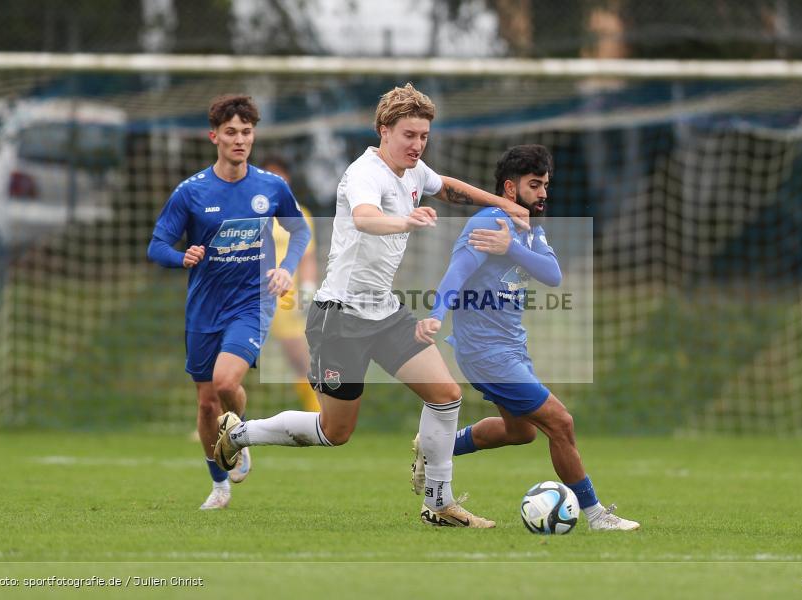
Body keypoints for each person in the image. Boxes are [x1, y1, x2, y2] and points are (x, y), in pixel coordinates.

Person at [212, 83, 528, 528]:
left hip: (386, 312)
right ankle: (239, 433)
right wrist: (406, 219)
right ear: (384, 130)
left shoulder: (414, 172)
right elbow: (364, 217)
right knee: (334, 432)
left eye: (423, 136)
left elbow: (448, 187)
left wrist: (502, 203)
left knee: (446, 395)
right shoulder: (364, 172)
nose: (417, 145)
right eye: (409, 135)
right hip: (339, 317)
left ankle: (439, 503)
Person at [411, 144, 640, 531]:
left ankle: (434, 448)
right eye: (535, 185)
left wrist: (512, 247)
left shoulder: (529, 231)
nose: (544, 193)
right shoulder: (487, 222)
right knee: (560, 422)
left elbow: (553, 275)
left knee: (521, 432)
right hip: (485, 352)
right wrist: (434, 316)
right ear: (510, 188)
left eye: (546, 185)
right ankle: (597, 515)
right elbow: (456, 274)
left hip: (511, 348)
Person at [147, 95, 311, 510]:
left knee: (225, 383)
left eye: (247, 132)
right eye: (232, 132)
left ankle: (240, 436)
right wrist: (180, 257)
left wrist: (287, 267)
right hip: (204, 306)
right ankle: (219, 485)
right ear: (214, 136)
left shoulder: (271, 187)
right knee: (205, 403)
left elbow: (300, 232)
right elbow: (157, 244)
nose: (240, 140)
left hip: (251, 303)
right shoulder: (191, 192)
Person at [262, 154, 320, 412]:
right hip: (252, 295)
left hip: (286, 298)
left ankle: (318, 414)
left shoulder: (299, 214)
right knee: (232, 357)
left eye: (280, 176)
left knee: (300, 358)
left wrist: (307, 291)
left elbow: (307, 258)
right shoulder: (249, 213)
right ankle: (218, 418)